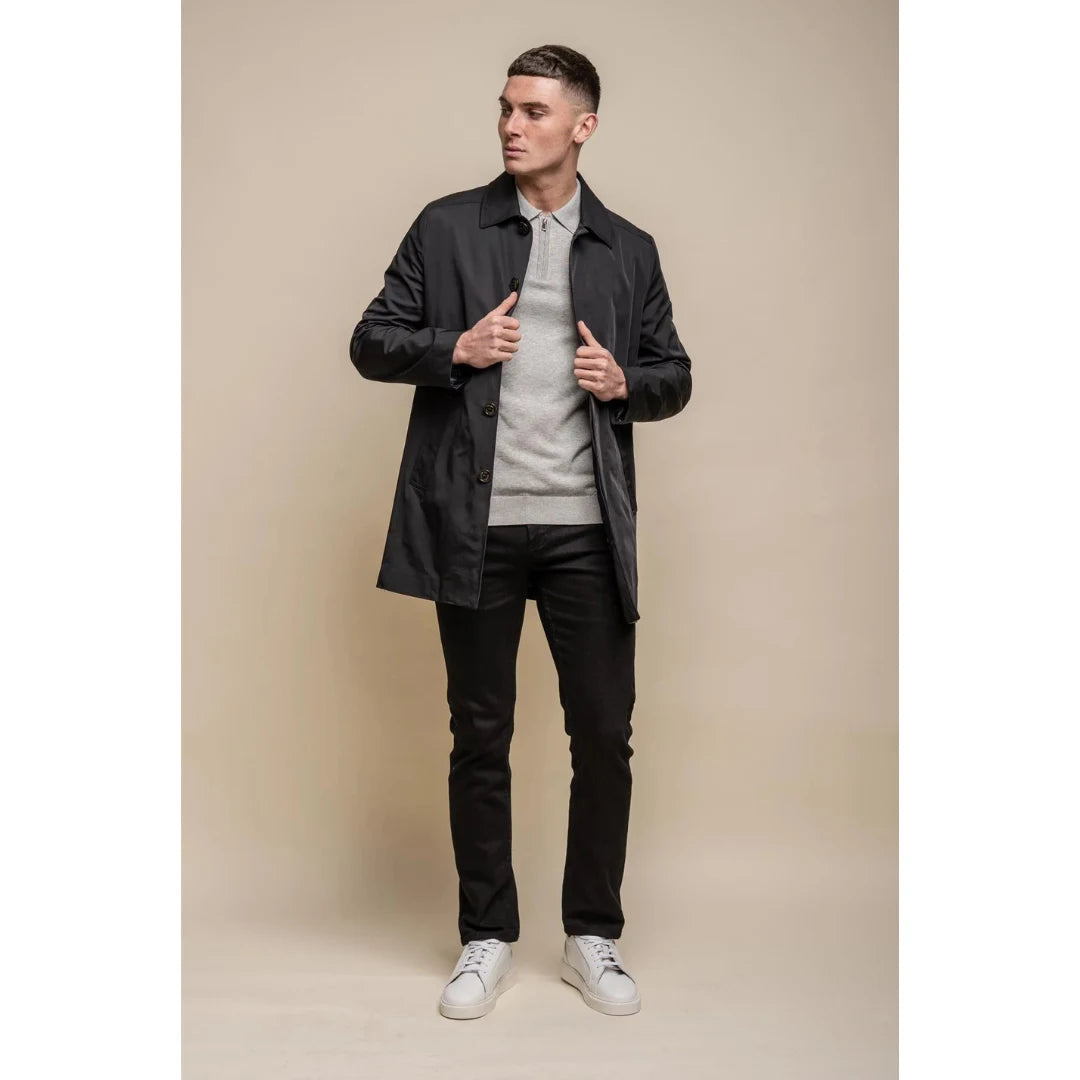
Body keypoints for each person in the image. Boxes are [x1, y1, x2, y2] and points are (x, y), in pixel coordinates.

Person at [349, 44, 692, 1020]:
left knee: (605, 737)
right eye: (506, 107)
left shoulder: (628, 248)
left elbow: (674, 372)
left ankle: (592, 936)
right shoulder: (446, 226)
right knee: (480, 737)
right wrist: (452, 348)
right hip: (477, 528)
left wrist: (627, 383)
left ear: (583, 126)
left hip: (587, 530)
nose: (511, 124)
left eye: (534, 111)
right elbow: (371, 339)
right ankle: (487, 936)